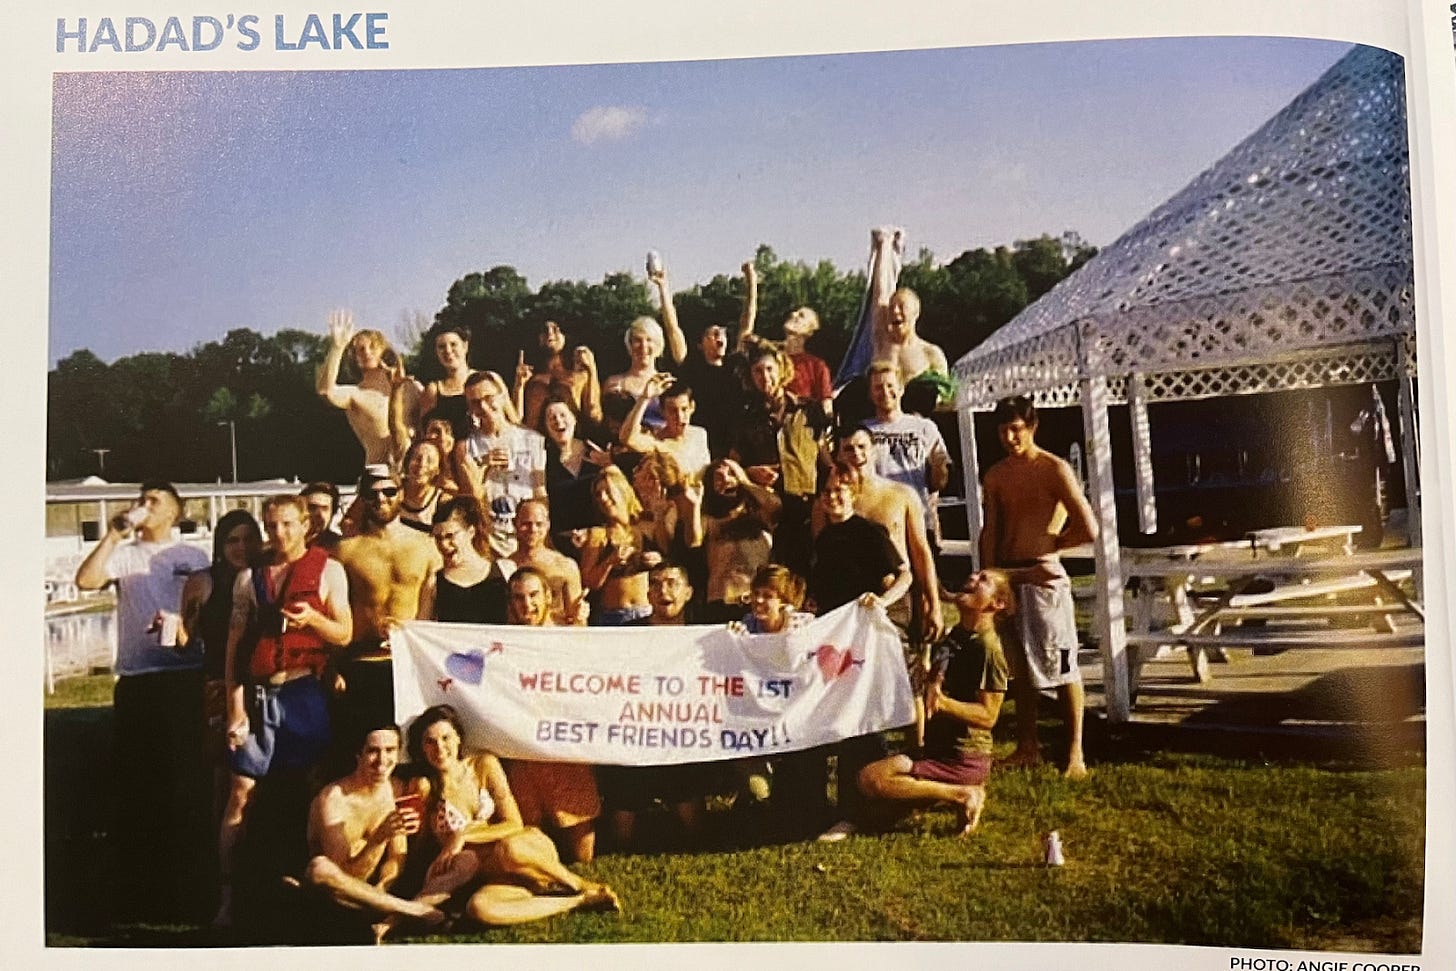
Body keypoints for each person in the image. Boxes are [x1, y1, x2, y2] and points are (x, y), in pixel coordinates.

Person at [74, 480, 212, 919]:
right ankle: (140, 880)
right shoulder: (125, 553)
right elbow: (85, 580)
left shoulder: (191, 557)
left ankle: (187, 877)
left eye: (155, 502)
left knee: (185, 779)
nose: (145, 507)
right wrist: (114, 533)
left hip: (185, 676)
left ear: (175, 512)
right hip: (137, 679)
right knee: (137, 782)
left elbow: (205, 610)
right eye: (142, 500)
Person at [215, 495, 354, 927]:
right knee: (240, 793)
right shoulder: (249, 579)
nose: (280, 534)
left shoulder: (329, 570)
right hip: (258, 697)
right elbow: (235, 648)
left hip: (303, 693)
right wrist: (235, 707)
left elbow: (344, 633)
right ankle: (228, 894)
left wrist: (312, 619)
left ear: (305, 526)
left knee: (311, 790)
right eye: (272, 526)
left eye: (288, 525)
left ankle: (316, 884)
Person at [406, 706, 619, 925]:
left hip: (526, 849)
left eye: (445, 738)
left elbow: (513, 823)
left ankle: (579, 884)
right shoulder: (424, 787)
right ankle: (578, 902)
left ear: (459, 738)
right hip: (496, 874)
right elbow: (420, 846)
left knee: (509, 849)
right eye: (429, 742)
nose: (439, 748)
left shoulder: (483, 765)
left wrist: (462, 836)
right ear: (422, 749)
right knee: (479, 908)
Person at [979, 395, 1095, 779]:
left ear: (1032, 427)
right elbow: (991, 529)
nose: (1011, 437)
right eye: (1003, 430)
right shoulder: (995, 475)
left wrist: (1051, 544)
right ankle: (1028, 746)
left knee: (1062, 665)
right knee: (1020, 669)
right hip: (1007, 578)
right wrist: (988, 577)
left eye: (1017, 429)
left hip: (1043, 577)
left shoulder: (1053, 468)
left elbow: (1087, 527)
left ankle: (1075, 750)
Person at [857, 570, 1012, 836]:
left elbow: (988, 716)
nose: (972, 579)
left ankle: (963, 793)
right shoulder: (956, 635)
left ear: (997, 604)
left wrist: (942, 703)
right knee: (870, 810)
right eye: (972, 576)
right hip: (935, 749)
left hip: (962, 756)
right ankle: (945, 792)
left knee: (871, 780)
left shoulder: (988, 650)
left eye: (983, 580)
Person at [809, 467, 913, 842]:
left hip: (864, 644)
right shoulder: (822, 539)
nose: (833, 497)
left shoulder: (869, 532)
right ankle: (853, 805)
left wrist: (882, 602)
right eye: (827, 492)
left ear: (853, 494)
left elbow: (905, 575)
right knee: (838, 723)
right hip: (832, 646)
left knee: (865, 725)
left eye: (840, 490)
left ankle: (871, 804)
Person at [300, 723, 456, 943]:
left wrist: (383, 888)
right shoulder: (333, 800)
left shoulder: (396, 789)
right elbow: (346, 875)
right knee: (319, 868)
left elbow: (396, 857)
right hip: (339, 897)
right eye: (373, 751)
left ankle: (391, 913)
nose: (382, 761)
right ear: (358, 754)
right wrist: (377, 838)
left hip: (378, 896)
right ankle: (416, 911)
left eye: (390, 750)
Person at [334, 465, 441, 767]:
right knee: (364, 754)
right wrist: (334, 667)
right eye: (372, 493)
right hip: (362, 663)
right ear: (362, 498)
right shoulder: (345, 551)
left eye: (389, 491)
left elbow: (432, 610)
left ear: (402, 493)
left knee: (412, 752)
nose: (381, 499)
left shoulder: (427, 546)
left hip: (410, 664)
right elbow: (336, 611)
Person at [600, 562, 710, 849]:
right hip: (638, 733)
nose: (664, 590)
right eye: (657, 584)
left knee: (696, 833)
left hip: (684, 733)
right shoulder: (628, 633)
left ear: (688, 592)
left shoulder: (707, 634)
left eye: (672, 583)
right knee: (619, 836)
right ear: (648, 594)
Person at [502, 568, 603, 862]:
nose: (527, 605)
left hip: (564, 744)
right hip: (523, 747)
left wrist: (580, 627)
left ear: (548, 596)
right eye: (519, 598)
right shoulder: (501, 641)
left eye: (534, 595)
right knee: (527, 832)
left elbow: (592, 672)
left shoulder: (567, 633)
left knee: (582, 853)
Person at [730, 342, 831, 577]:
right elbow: (732, 464)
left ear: (781, 369)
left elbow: (824, 458)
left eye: (769, 369)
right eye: (758, 371)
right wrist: (750, 473)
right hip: (769, 511)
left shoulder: (808, 410)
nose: (765, 377)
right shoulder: (746, 418)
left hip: (808, 507)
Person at [176, 510, 263, 772]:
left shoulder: (268, 577)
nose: (241, 547)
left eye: (248, 539)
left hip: (263, 683)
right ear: (220, 545)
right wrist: (171, 626)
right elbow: (184, 644)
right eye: (232, 541)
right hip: (219, 683)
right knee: (223, 763)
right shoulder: (202, 582)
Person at [667, 261, 756, 459]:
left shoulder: (735, 366)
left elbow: (747, 322)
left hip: (735, 448)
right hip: (700, 447)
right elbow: (673, 329)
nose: (719, 337)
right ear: (700, 344)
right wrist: (663, 287)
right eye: (712, 334)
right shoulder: (692, 368)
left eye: (722, 333)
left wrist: (751, 281)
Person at [456, 370, 548, 557]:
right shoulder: (467, 446)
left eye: (488, 397)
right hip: (490, 538)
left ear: (502, 395)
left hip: (528, 536)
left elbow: (540, 493)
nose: (483, 405)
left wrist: (543, 536)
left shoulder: (532, 439)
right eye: (475, 402)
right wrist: (484, 465)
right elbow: (471, 497)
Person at [861, 361, 952, 548]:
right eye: (878, 387)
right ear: (870, 394)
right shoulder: (860, 431)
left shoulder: (925, 427)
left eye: (890, 386)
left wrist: (940, 468)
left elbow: (939, 482)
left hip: (917, 522)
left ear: (901, 389)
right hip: (875, 523)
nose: (885, 392)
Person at [867, 227, 950, 394]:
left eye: (902, 307)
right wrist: (883, 246)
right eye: (892, 308)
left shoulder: (931, 353)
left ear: (916, 313)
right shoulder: (882, 342)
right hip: (881, 418)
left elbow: (946, 396)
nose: (895, 312)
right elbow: (880, 295)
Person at [316, 310, 403, 467]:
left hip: (416, 476)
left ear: (384, 351)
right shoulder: (356, 394)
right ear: (354, 358)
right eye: (360, 350)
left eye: (372, 347)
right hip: (378, 474)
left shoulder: (408, 388)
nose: (367, 352)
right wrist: (337, 348)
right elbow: (325, 391)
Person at [699, 457, 781, 624]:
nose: (727, 480)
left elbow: (774, 505)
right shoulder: (709, 521)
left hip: (754, 604)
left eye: (731, 474)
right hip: (720, 603)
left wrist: (743, 478)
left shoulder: (761, 518)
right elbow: (693, 539)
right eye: (719, 477)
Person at [578, 465, 662, 626]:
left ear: (622, 491)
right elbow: (588, 581)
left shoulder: (647, 527)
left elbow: (671, 558)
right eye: (598, 494)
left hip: (647, 611)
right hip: (613, 615)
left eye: (608, 491)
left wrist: (658, 562)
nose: (603, 498)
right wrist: (610, 561)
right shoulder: (598, 535)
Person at [418, 496, 512, 625]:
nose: (444, 544)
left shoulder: (506, 571)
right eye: (438, 538)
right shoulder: (434, 583)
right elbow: (421, 629)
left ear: (471, 532)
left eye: (450, 536)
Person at [539, 395, 612, 543]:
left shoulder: (596, 450)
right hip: (563, 538)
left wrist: (608, 464)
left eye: (563, 415)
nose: (558, 421)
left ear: (574, 418)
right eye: (551, 417)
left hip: (601, 536)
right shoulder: (543, 459)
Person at [510, 498, 587, 626]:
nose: (533, 529)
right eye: (526, 524)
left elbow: (577, 620)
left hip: (554, 637)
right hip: (517, 640)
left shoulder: (564, 566)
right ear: (515, 523)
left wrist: (579, 616)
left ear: (548, 525)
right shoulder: (506, 566)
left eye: (539, 524)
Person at [516, 319, 603, 432]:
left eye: (556, 329)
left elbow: (595, 416)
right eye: (544, 330)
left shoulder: (579, 376)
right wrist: (518, 386)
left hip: (573, 444)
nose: (550, 334)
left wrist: (592, 368)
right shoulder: (528, 376)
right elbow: (516, 420)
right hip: (535, 444)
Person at [619, 375, 712, 480]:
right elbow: (627, 438)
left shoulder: (700, 434)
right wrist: (644, 398)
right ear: (662, 412)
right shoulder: (657, 443)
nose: (680, 417)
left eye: (684, 409)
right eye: (673, 411)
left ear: (692, 407)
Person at [398, 439, 450, 533]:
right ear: (408, 461)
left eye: (429, 461)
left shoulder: (442, 503)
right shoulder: (391, 491)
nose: (422, 464)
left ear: (438, 469)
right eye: (417, 458)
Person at [299, 482, 343, 553]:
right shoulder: (288, 542)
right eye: (312, 507)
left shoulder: (339, 546)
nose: (319, 514)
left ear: (332, 513)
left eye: (324, 509)